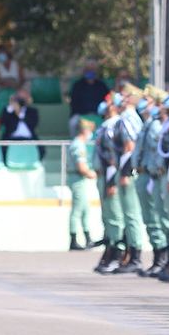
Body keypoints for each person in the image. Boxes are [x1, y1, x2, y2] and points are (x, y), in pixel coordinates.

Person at [67, 116, 97, 251]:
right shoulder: (78, 145)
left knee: (85, 208)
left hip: (79, 179)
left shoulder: (79, 144)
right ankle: (73, 239)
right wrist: (93, 174)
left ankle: (87, 237)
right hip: (77, 178)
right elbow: (81, 167)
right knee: (78, 209)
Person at [68, 63, 108, 135]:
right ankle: (75, 142)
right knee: (72, 123)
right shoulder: (77, 85)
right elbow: (73, 103)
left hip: (98, 115)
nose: (90, 72)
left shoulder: (101, 86)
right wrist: (85, 114)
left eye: (92, 70)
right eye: (88, 70)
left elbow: (106, 101)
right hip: (81, 115)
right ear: (84, 71)